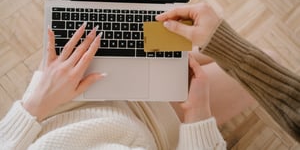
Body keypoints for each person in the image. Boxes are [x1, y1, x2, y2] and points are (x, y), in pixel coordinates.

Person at [0, 23, 227, 149]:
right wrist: (197, 113)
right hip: (156, 128)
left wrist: (35, 102)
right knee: (252, 66)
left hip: (64, 102)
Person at [156, 3, 300, 143]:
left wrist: (220, 42)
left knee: (198, 54)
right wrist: (197, 110)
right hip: (154, 126)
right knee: (271, 58)